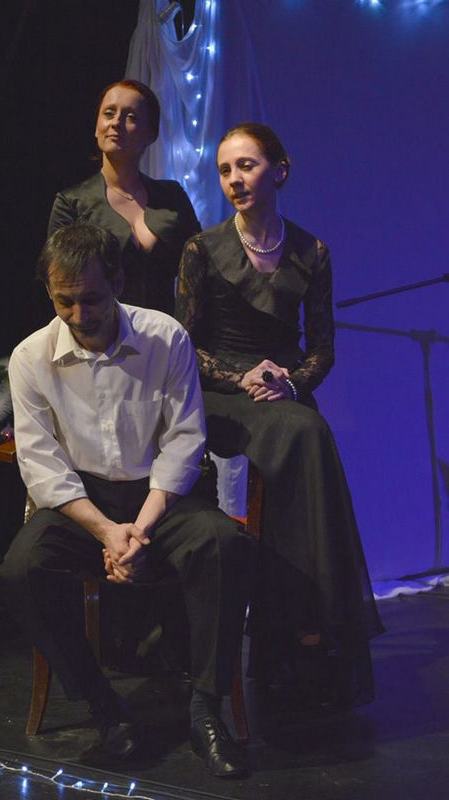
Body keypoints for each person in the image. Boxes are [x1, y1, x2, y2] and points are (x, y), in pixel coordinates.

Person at [0, 223, 251, 778]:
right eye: (64, 301)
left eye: (91, 298)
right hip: (82, 502)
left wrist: (140, 527)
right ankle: (102, 705)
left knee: (223, 545)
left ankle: (206, 710)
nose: (79, 314)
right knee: (21, 571)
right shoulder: (30, 357)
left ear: (117, 281)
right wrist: (108, 533)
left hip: (160, 496)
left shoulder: (165, 337)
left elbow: (184, 440)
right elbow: (41, 463)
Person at [175, 122, 384, 710]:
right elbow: (185, 345)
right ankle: (307, 633)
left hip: (282, 391)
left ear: (280, 171)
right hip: (223, 391)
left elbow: (323, 347)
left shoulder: (312, 251)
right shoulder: (201, 250)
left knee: (306, 436)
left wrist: (291, 381)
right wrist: (239, 377)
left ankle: (302, 634)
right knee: (307, 432)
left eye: (246, 166)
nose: (234, 179)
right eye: (225, 170)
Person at [47, 79, 200, 316]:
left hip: (165, 331)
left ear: (151, 134)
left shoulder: (172, 196)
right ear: (96, 127)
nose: (116, 123)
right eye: (109, 114)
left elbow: (201, 268)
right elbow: (60, 282)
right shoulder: (72, 203)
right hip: (99, 331)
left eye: (131, 117)